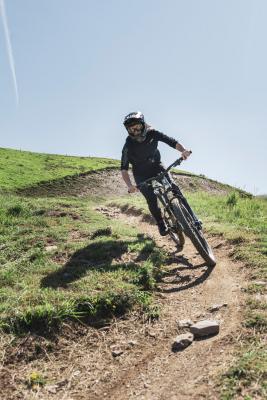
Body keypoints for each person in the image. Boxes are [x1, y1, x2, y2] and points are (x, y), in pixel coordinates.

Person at [121, 111, 192, 236]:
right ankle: (161, 223)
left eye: (137, 126)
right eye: (131, 129)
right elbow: (124, 168)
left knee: (174, 189)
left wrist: (183, 150)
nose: (135, 131)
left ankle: (191, 216)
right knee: (151, 199)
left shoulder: (153, 133)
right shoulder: (128, 145)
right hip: (140, 174)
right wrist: (129, 186)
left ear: (143, 125)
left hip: (157, 166)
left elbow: (171, 141)